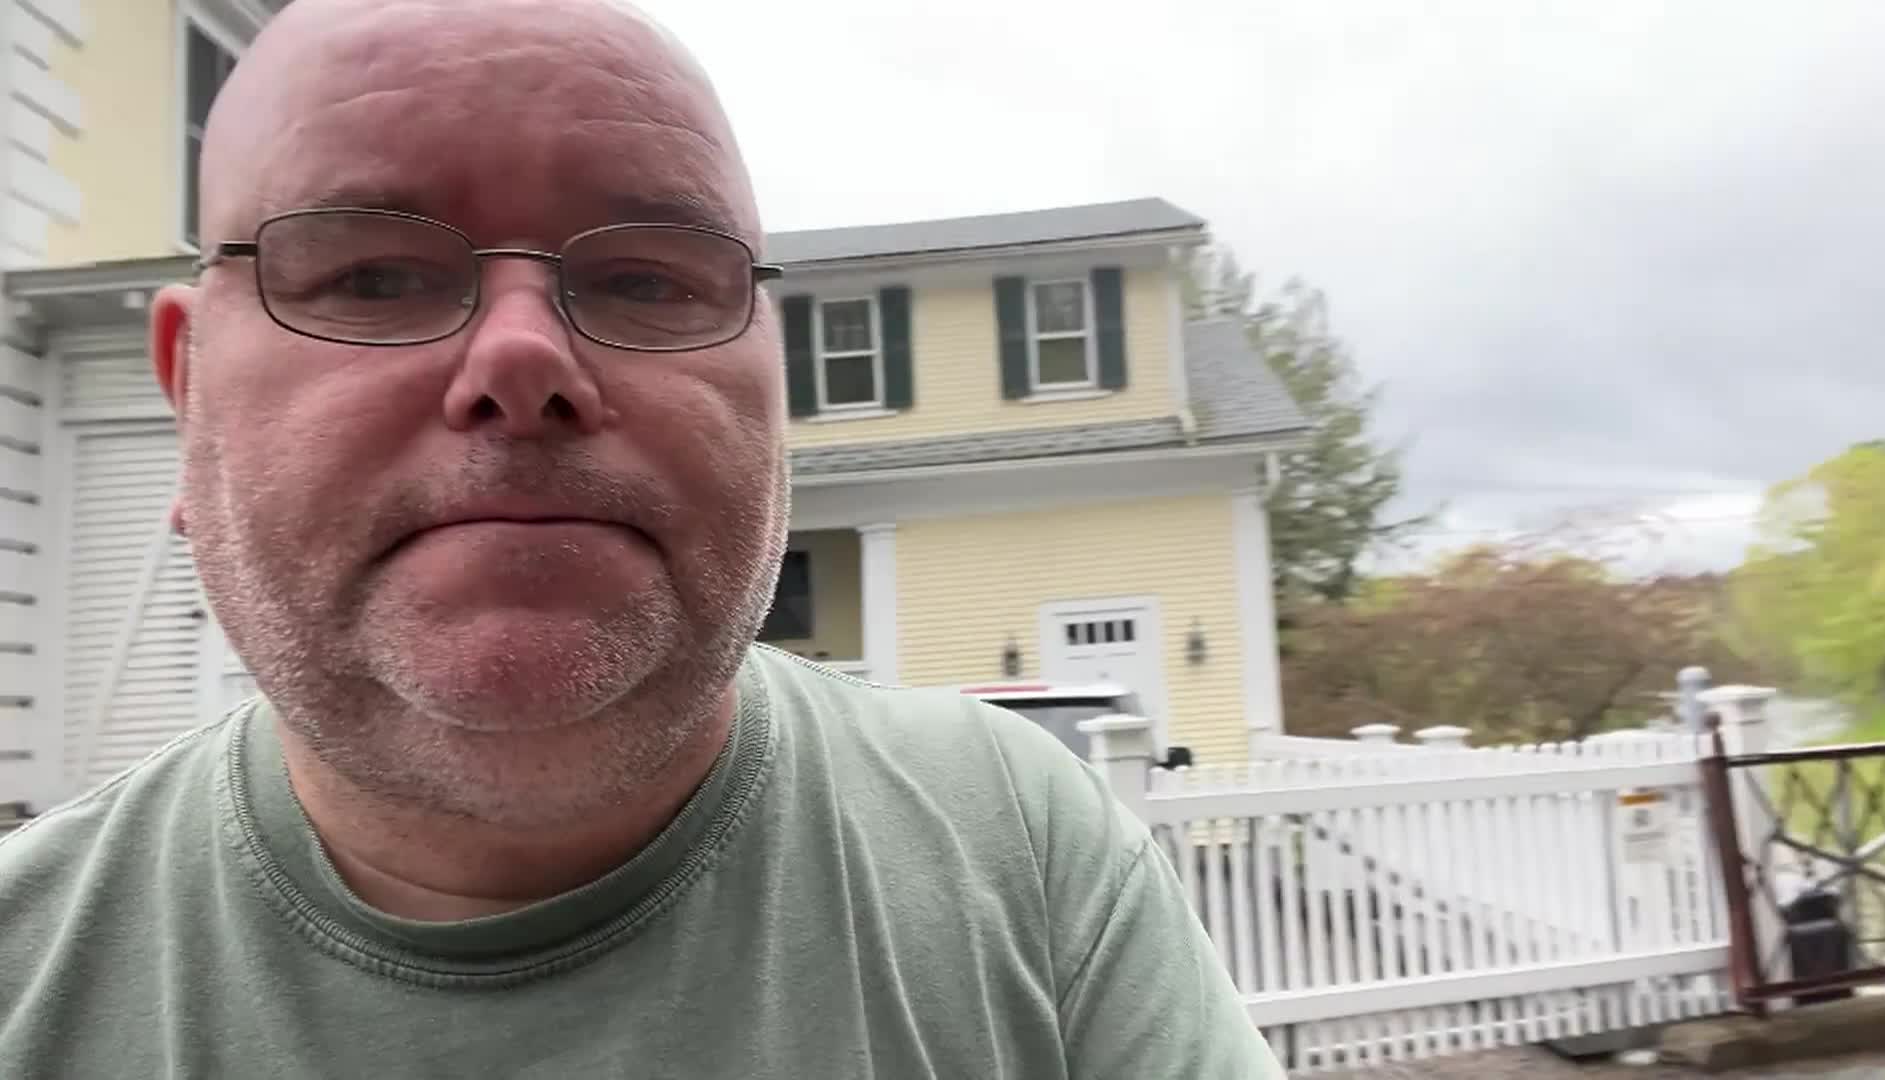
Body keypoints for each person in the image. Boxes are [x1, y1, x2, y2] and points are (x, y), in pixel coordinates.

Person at [0, 1, 1280, 1076]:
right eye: (373, 276)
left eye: (647, 279)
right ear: (190, 397)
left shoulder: (1025, 851)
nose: (520, 357)